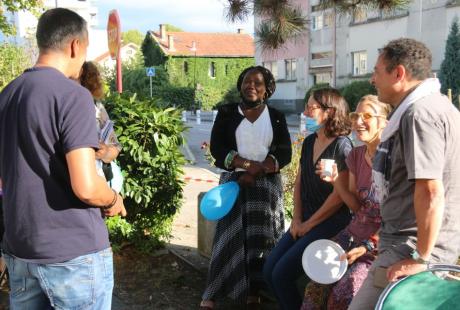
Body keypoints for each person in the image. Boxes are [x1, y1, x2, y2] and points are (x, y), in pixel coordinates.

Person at [0, 8, 126, 309]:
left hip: (21, 251)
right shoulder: (73, 96)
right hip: (73, 255)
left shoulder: (7, 95)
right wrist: (112, 199)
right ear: (75, 46)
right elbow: (85, 186)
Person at [348, 38, 460, 309]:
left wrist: (421, 257)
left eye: (377, 71)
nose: (372, 79)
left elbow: (431, 192)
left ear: (398, 73)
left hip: (413, 247)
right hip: (416, 242)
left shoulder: (419, 115)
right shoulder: (440, 106)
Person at [200, 66, 292, 309]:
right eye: (247, 81)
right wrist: (245, 166)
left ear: (267, 89)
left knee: (261, 240)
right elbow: (218, 149)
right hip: (234, 184)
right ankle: (212, 293)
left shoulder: (276, 116)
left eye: (258, 82)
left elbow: (284, 153)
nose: (251, 85)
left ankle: (254, 291)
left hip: (266, 188)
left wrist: (258, 170)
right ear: (240, 86)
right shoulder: (227, 112)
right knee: (228, 237)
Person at [263, 88, 353, 310]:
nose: (305, 112)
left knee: (282, 274)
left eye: (311, 107)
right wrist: (297, 219)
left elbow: (338, 197)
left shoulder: (342, 146)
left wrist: (308, 225)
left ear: (329, 112)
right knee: (269, 271)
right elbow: (300, 181)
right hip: (305, 220)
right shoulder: (310, 141)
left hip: (330, 223)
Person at [301, 95, 391, 310]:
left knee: (344, 293)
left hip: (383, 243)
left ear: (385, 122)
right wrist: (335, 181)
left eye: (367, 116)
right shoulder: (357, 156)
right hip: (352, 233)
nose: (358, 122)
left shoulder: (395, 159)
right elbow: (357, 207)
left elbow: (401, 219)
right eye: (355, 115)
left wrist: (368, 245)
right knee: (315, 285)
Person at [78, 61, 122, 183]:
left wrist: (105, 152)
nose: (97, 81)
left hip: (97, 179)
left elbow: (115, 147)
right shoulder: (72, 105)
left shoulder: (98, 107)